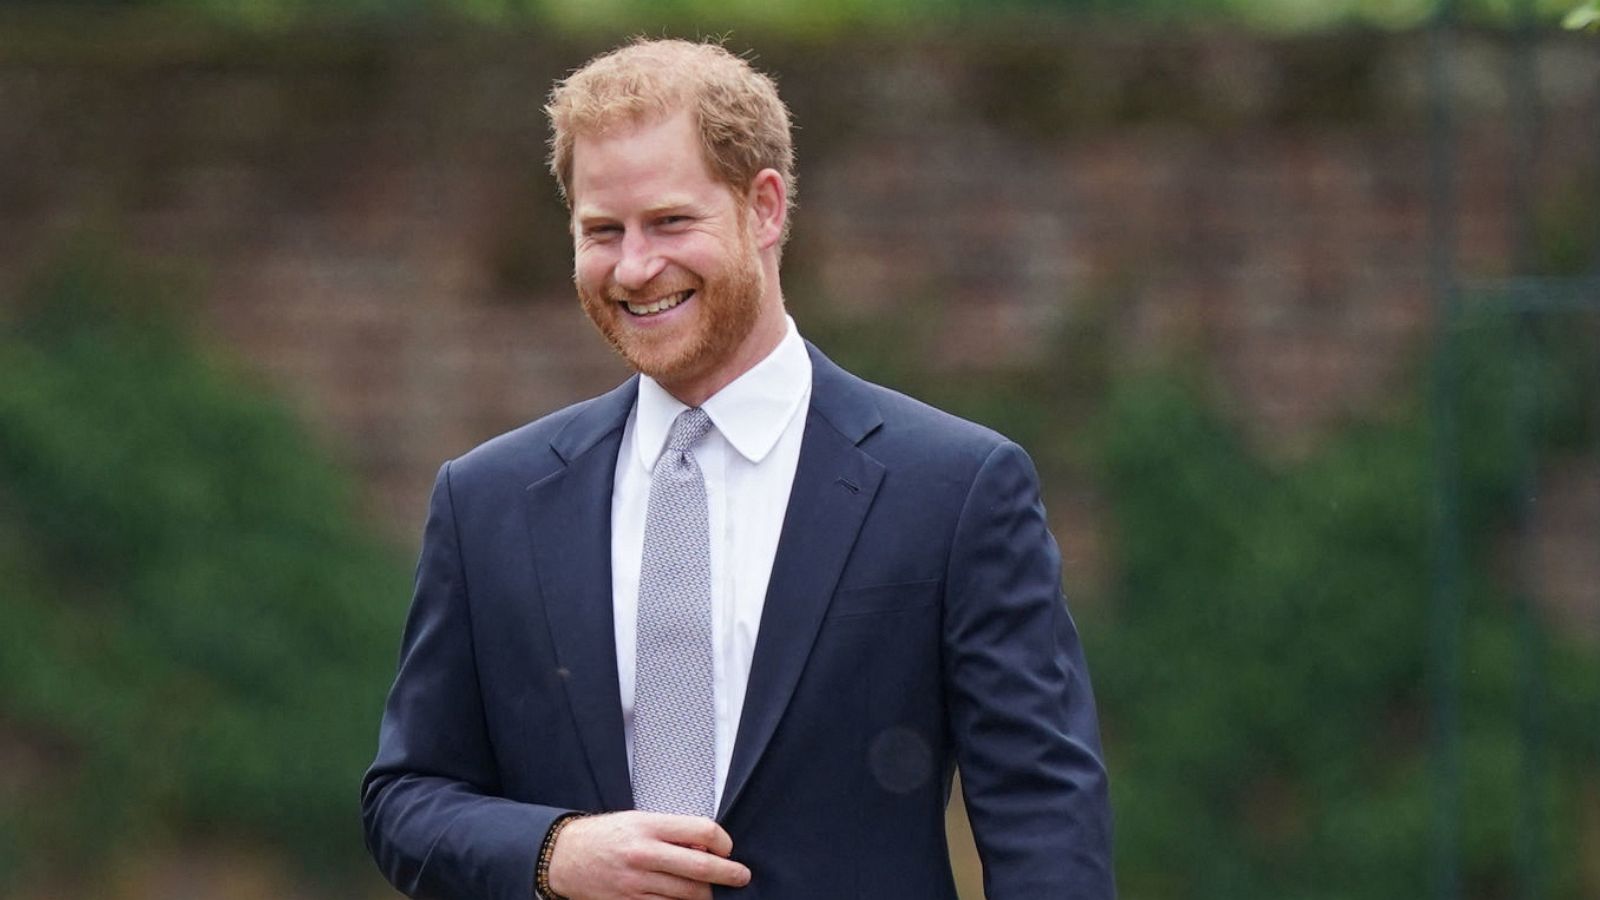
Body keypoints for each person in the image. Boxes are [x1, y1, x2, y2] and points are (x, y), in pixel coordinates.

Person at [362, 37, 1114, 900]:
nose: (636, 267)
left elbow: (1044, 819)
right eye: (602, 231)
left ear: (764, 209)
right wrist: (551, 850)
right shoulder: (486, 500)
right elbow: (406, 798)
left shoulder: (955, 488)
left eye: (671, 222)